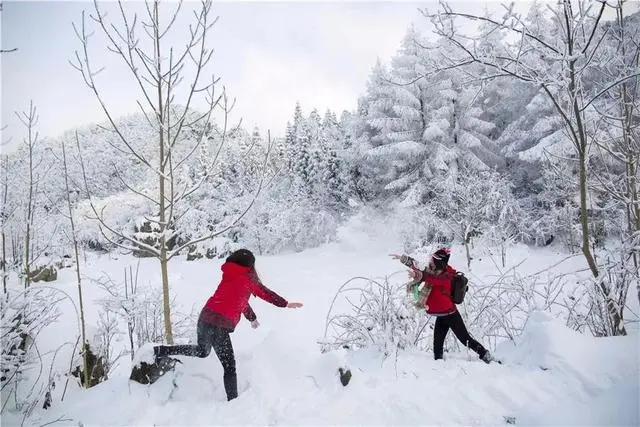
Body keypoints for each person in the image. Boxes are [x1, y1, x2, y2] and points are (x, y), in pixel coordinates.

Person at [153, 249, 304, 401]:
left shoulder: (229, 275)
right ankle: (233, 403)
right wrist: (285, 304)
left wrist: (251, 318)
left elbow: (238, 300)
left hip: (205, 317)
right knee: (229, 367)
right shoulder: (248, 279)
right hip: (218, 325)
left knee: (202, 351)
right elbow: (265, 293)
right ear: (250, 264)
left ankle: (161, 350)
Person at [391, 247, 496, 364]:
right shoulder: (435, 272)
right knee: (437, 344)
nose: (430, 261)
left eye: (432, 260)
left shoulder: (446, 277)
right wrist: (405, 260)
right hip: (442, 315)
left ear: (438, 262)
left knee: (465, 339)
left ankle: (486, 356)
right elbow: (421, 268)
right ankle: (438, 366)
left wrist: (420, 275)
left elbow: (430, 278)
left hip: (451, 315)